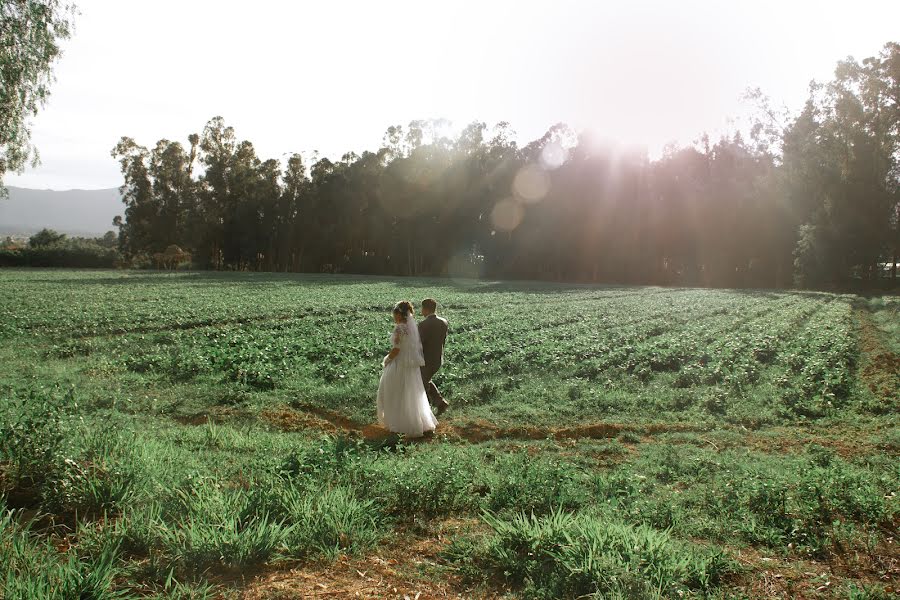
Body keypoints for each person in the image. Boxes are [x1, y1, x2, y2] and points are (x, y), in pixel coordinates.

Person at [376, 301, 438, 437]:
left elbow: (396, 349)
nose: (394, 317)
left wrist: (387, 360)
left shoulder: (399, 328)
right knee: (411, 393)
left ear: (399, 314)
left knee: (395, 392)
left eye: (394, 314)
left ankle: (399, 423)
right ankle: (418, 422)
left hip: (399, 364)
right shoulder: (411, 328)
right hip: (410, 366)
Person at [418, 298, 450, 415]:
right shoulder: (443, 322)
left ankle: (425, 412)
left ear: (425, 309)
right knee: (425, 380)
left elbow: (419, 344)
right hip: (437, 359)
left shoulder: (423, 324)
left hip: (426, 360)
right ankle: (441, 403)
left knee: (421, 385)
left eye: (422, 308)